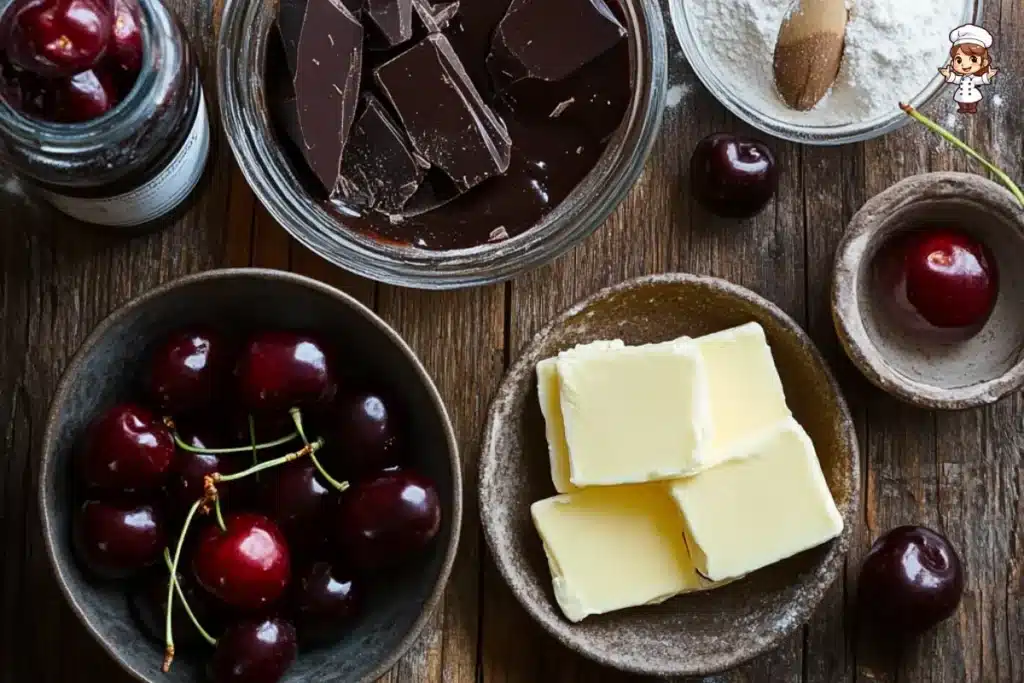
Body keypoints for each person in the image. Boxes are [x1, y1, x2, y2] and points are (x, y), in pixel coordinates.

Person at [940, 25, 999, 114]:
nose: (965, 65)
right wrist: (948, 75)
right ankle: (963, 108)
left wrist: (988, 76)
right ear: (952, 62)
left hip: (971, 93)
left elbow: (979, 80)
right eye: (959, 60)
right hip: (962, 93)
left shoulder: (973, 78)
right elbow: (956, 79)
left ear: (984, 62)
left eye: (973, 59)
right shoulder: (961, 78)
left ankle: (971, 108)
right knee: (961, 101)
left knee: (972, 101)